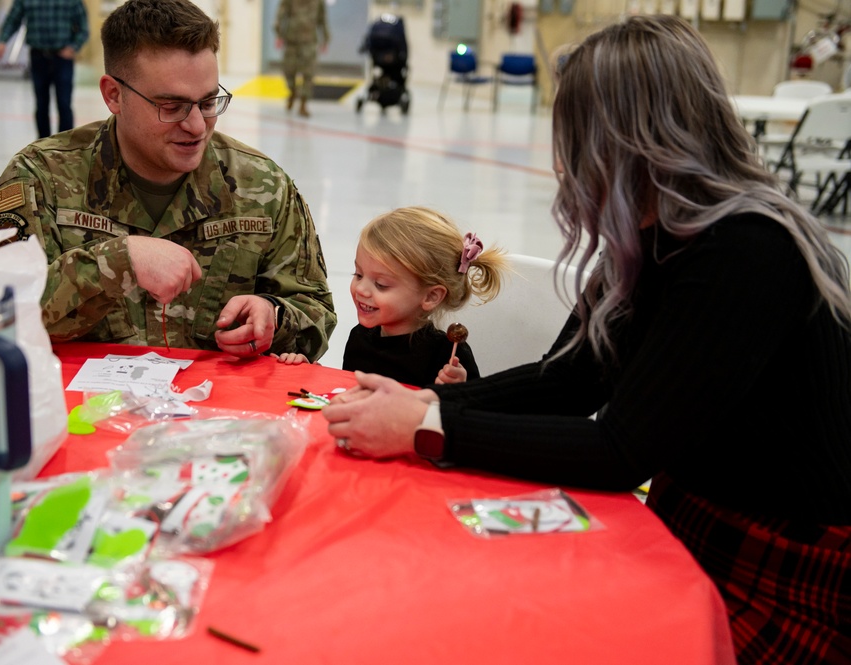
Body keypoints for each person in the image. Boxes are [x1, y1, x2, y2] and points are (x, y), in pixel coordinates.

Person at [323, 15, 851, 664]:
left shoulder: (745, 250)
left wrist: (428, 427)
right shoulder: (657, 230)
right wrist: (426, 406)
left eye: (569, 134)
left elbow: (620, 448)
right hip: (692, 516)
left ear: (623, 138)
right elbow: (568, 379)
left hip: (778, 559)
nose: (560, 160)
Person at [0, 0, 336, 361]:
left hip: (217, 414)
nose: (197, 126)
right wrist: (115, 262)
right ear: (113, 95)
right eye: (171, 106)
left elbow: (315, 310)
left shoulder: (263, 187)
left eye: (208, 102)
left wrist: (273, 316)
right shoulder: (41, 179)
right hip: (83, 413)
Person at [275, 206, 508, 387]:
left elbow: (470, 425)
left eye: (381, 284)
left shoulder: (447, 356)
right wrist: (308, 375)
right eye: (358, 274)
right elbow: (348, 398)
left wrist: (456, 391)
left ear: (431, 296)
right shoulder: (360, 337)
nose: (361, 289)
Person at [0, 0, 90, 139]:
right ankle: (42, 146)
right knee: (41, 105)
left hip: (62, 59)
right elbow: (13, 19)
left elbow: (83, 27)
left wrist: (73, 47)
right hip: (38, 57)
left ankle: (66, 147)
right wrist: (3, 40)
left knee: (64, 104)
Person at [274, 0, 328, 118]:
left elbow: (322, 19)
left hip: (309, 41)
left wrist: (325, 38)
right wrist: (278, 34)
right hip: (291, 39)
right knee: (289, 70)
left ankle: (304, 102)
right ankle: (292, 91)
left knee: (308, 73)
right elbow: (281, 14)